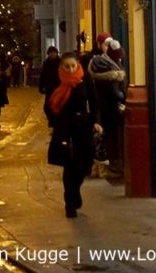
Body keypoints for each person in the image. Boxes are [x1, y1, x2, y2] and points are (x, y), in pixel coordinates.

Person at [47, 52, 102, 218]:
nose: (71, 69)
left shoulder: (85, 80)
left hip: (84, 127)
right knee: (70, 165)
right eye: (67, 66)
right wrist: (55, 123)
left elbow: (94, 102)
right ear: (61, 67)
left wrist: (96, 121)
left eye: (73, 66)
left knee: (85, 164)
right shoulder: (57, 81)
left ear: (77, 65)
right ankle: (70, 202)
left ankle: (75, 190)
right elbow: (49, 105)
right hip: (65, 128)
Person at [89, 38, 126, 177]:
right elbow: (115, 91)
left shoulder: (98, 63)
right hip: (110, 107)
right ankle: (112, 166)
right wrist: (123, 95)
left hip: (101, 106)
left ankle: (100, 167)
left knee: (103, 137)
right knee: (110, 137)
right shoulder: (111, 68)